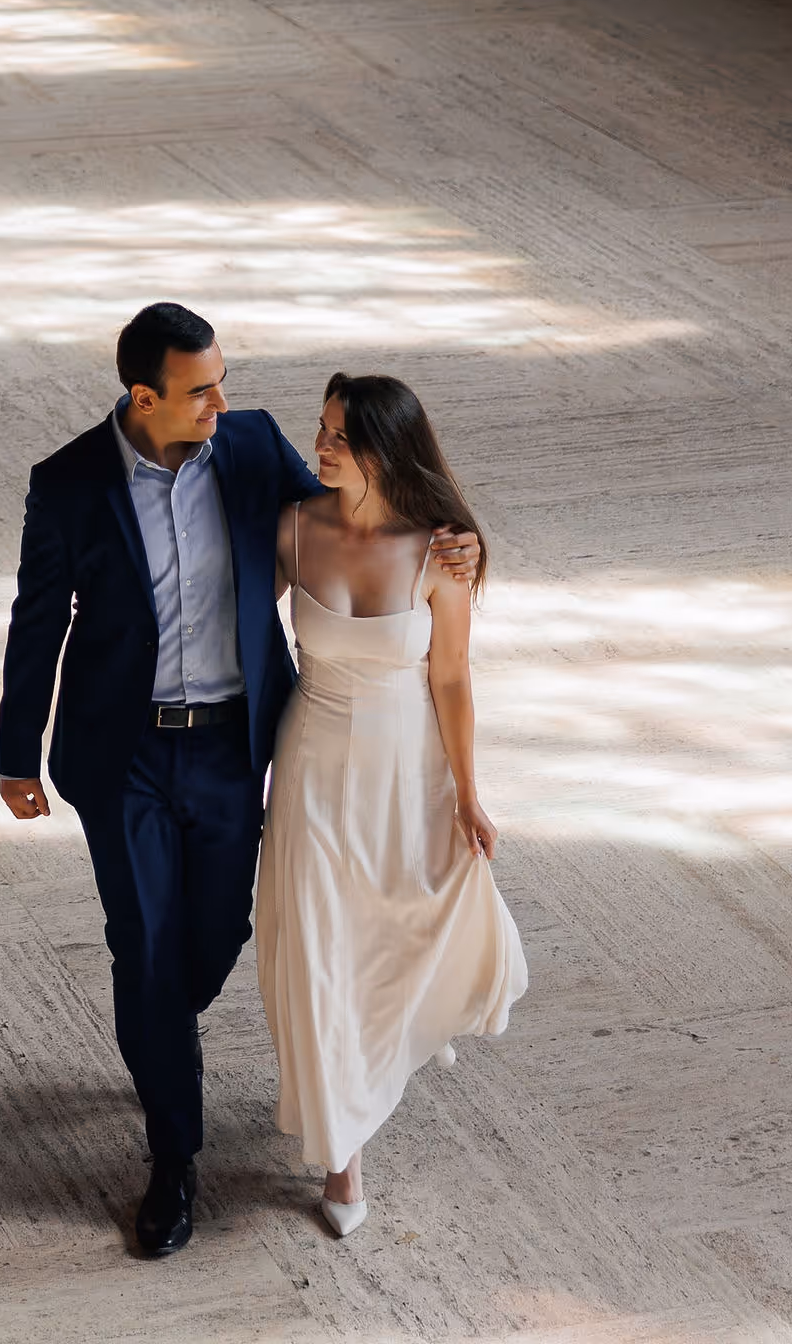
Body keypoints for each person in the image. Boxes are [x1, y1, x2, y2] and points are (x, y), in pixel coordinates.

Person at [0, 304, 478, 1258]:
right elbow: (37, 619)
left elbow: (356, 512)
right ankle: (173, 1161)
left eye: (223, 382)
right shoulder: (70, 482)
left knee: (214, 935)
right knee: (146, 943)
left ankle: (157, 1032)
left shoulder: (251, 447)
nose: (224, 403)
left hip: (233, 744)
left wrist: (452, 539)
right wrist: (17, 753)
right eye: (202, 390)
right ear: (145, 398)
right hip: (123, 753)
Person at [256, 373, 527, 1239]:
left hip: (407, 766)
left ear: (387, 449)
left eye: (342, 436)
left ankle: (405, 1029)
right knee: (319, 947)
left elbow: (451, 679)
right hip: (312, 761)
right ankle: (343, 1155)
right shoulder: (295, 528)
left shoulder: (441, 554)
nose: (321, 446)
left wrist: (469, 795)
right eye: (321, 428)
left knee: (396, 928)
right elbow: (225, 620)